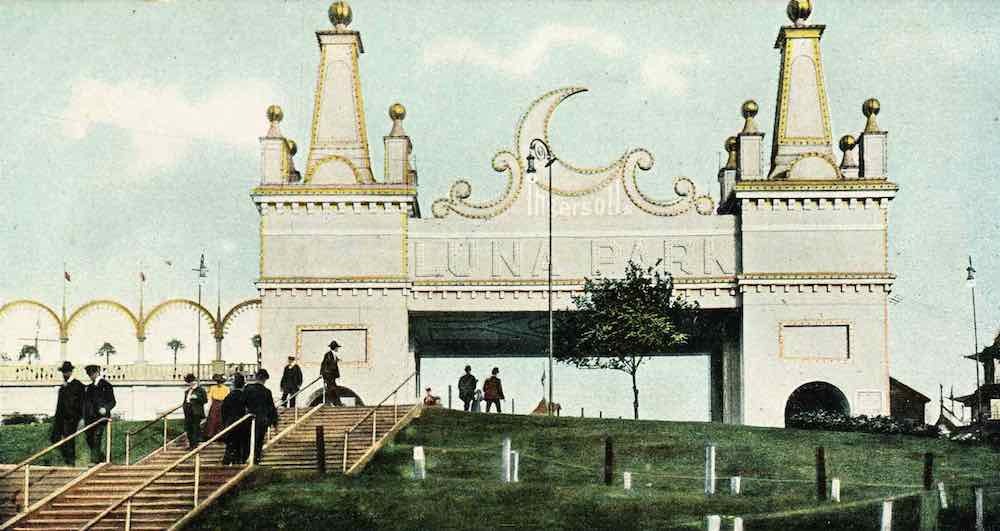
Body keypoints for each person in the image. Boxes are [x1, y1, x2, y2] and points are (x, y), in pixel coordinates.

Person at [51, 361, 84, 465]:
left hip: (73, 418)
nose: (65, 374)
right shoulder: (62, 388)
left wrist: (81, 418)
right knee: (63, 440)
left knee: (70, 440)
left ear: (70, 372)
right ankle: (67, 461)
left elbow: (83, 403)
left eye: (66, 372)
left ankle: (71, 462)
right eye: (63, 372)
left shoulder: (78, 385)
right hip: (62, 419)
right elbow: (59, 405)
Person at [244, 369, 278, 464]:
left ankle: (246, 458)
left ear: (256, 377)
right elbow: (272, 408)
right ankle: (256, 459)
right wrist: (274, 423)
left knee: (248, 439)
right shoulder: (267, 392)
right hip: (262, 421)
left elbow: (243, 403)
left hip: (249, 419)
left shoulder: (248, 388)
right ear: (264, 379)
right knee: (258, 441)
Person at [83, 365, 115, 463]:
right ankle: (101, 458)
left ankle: (94, 461)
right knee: (89, 438)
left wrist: (105, 409)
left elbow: (112, 401)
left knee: (97, 437)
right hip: (90, 419)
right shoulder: (89, 388)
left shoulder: (106, 385)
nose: (91, 376)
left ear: (97, 373)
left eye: (92, 373)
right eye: (89, 374)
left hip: (102, 418)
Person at [222, 373, 250, 465]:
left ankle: (228, 462)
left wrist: (225, 422)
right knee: (242, 444)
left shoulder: (228, 397)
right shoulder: (245, 396)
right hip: (243, 424)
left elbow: (223, 411)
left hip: (230, 424)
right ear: (243, 384)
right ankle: (240, 461)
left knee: (231, 445)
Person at [181, 373, 208, 449]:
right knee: (189, 428)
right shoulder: (187, 391)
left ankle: (195, 445)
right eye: (189, 382)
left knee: (195, 428)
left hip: (196, 412)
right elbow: (185, 401)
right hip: (188, 411)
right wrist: (184, 407)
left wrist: (197, 397)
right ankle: (191, 445)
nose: (190, 383)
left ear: (195, 381)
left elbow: (205, 400)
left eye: (191, 381)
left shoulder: (201, 390)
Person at [203, 374, 229, 439]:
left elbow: (228, 397)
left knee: (221, 419)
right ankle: (210, 434)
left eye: (220, 381)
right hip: (215, 404)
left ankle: (221, 435)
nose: (219, 383)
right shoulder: (213, 388)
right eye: (218, 381)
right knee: (213, 419)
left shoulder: (226, 388)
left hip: (223, 404)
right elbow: (209, 397)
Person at [320, 340, 343, 406]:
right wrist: (323, 374)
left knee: (333, 389)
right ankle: (335, 402)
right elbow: (324, 364)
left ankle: (336, 403)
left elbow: (332, 363)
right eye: (337, 347)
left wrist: (337, 360)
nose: (337, 349)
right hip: (328, 375)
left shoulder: (333, 355)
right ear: (335, 348)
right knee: (332, 389)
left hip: (331, 375)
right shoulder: (328, 354)